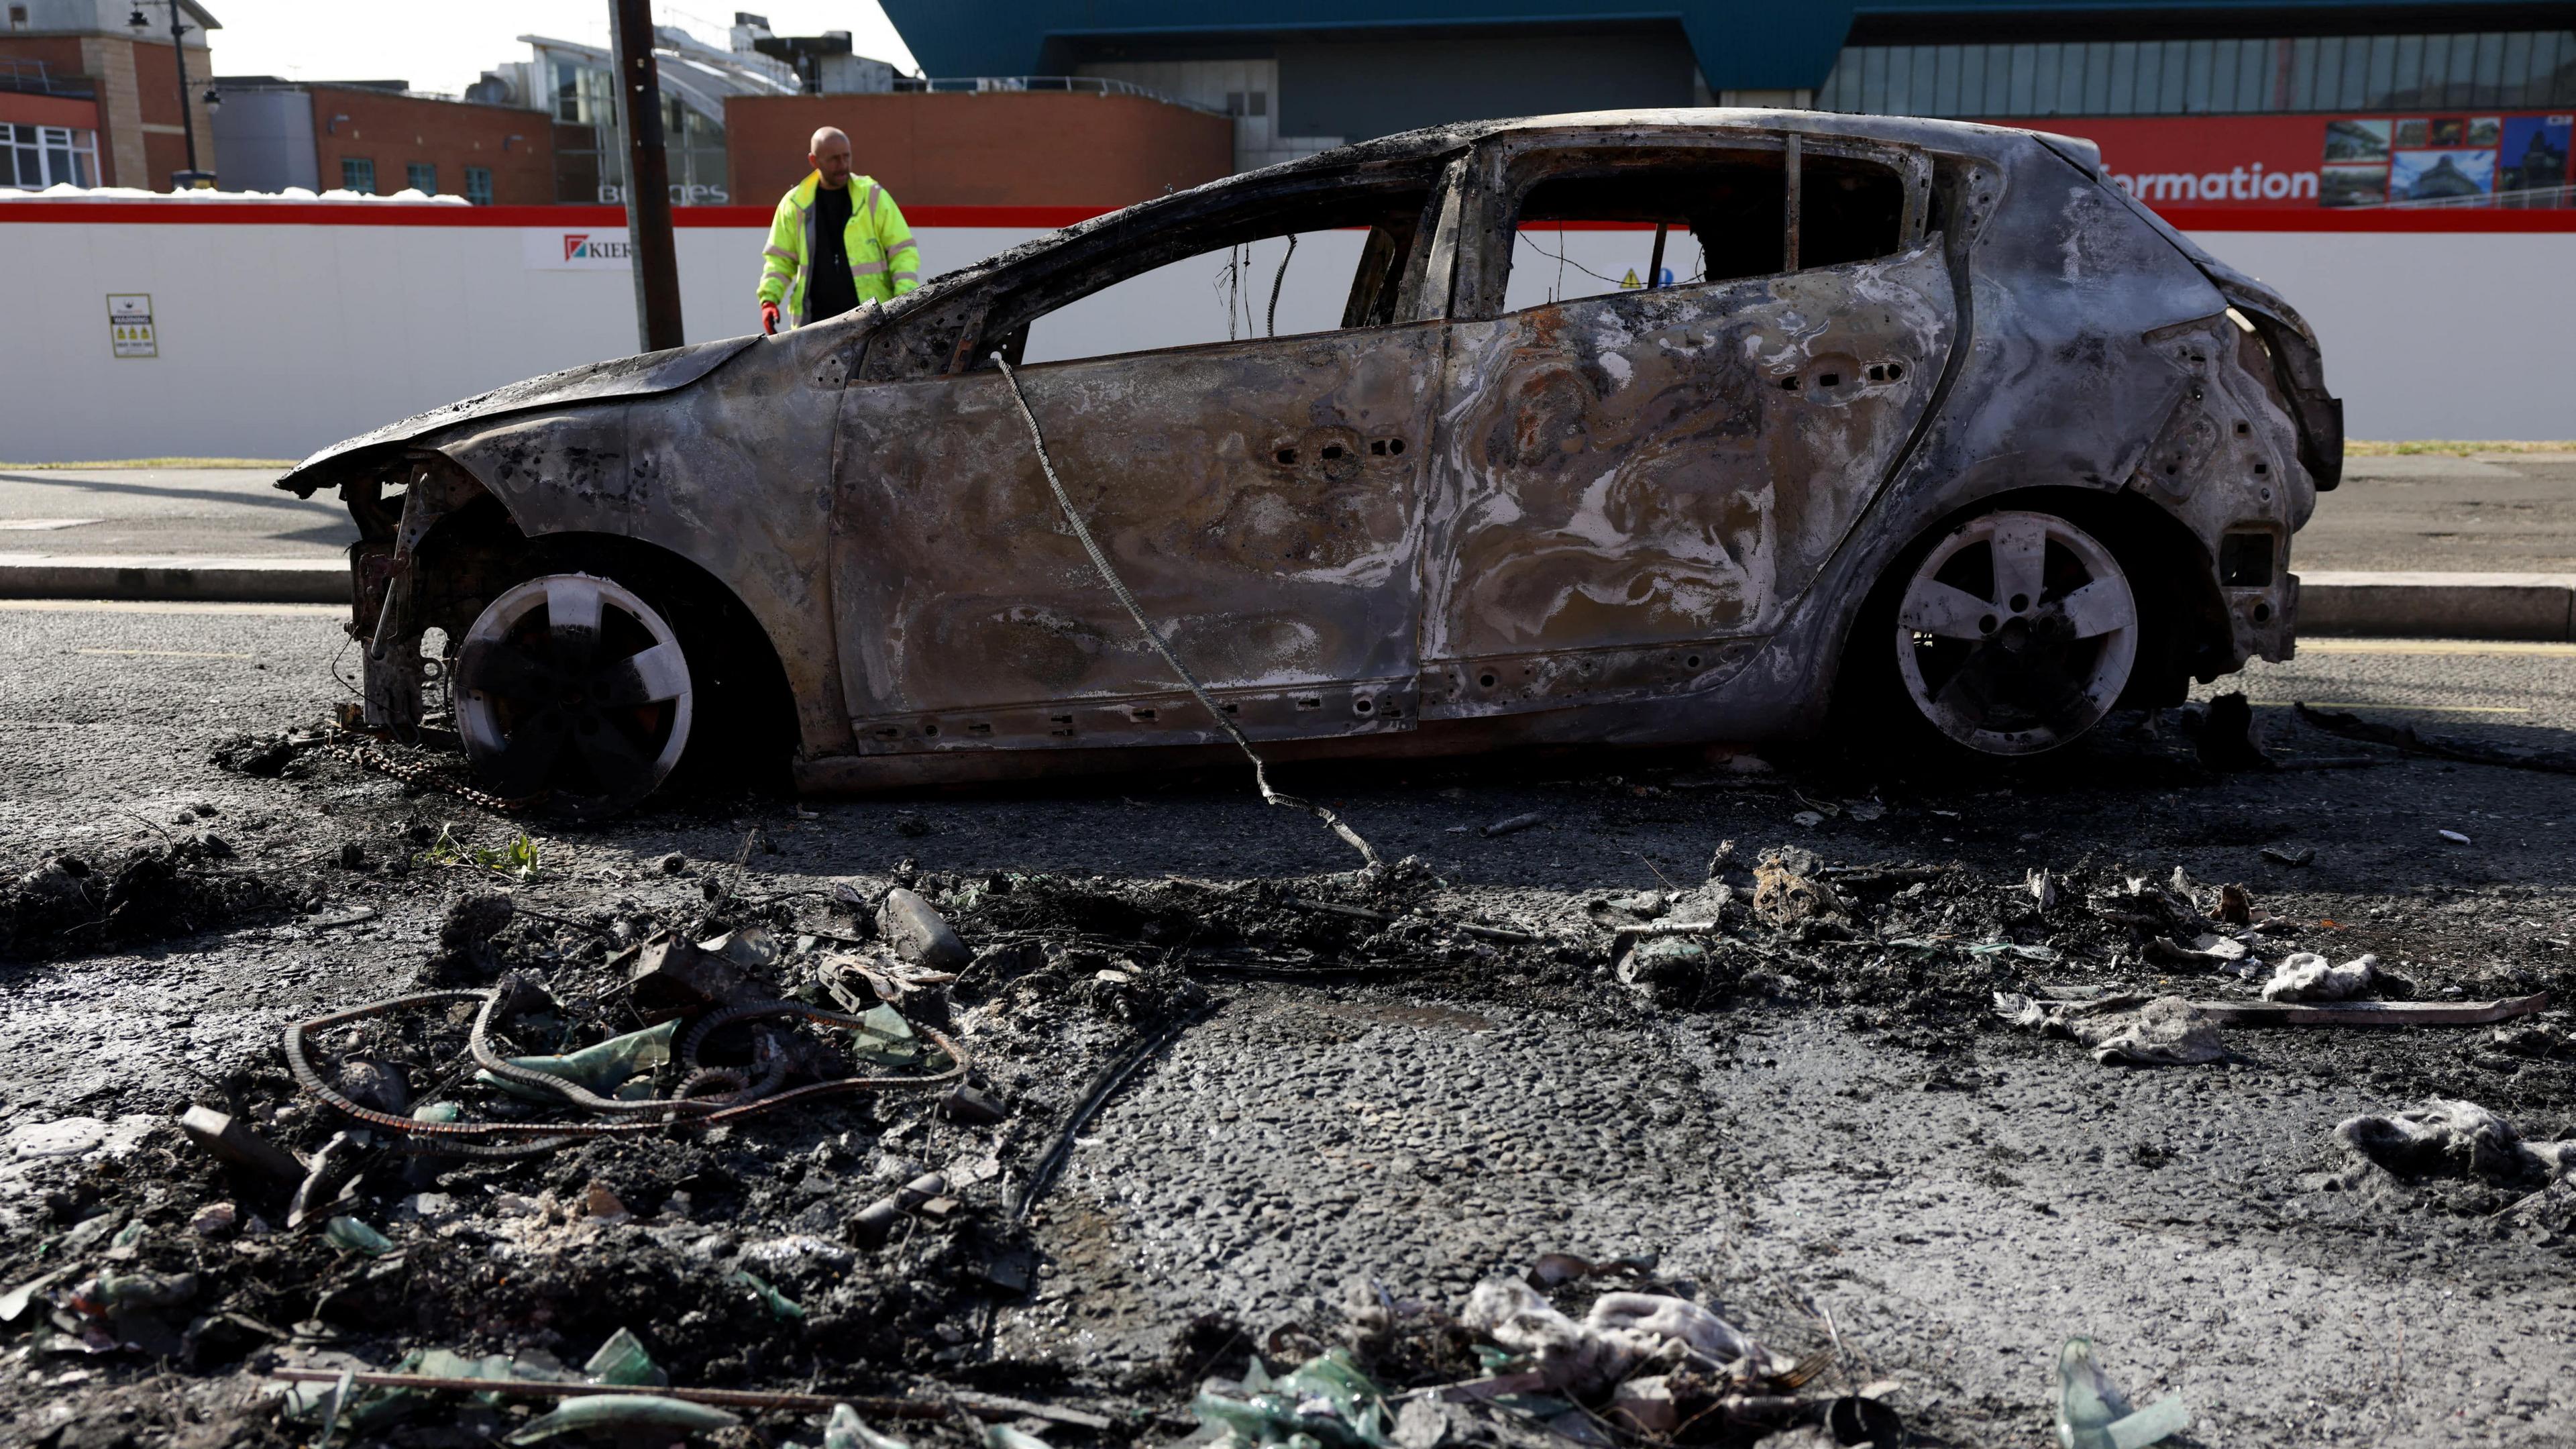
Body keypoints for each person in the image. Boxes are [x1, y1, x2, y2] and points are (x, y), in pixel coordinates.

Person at [756, 126, 918, 335]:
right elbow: (779, 260)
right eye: (833, 159)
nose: (843, 165)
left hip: (871, 322)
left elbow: (902, 250)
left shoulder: (873, 196)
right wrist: (769, 299)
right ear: (814, 161)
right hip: (814, 326)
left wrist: (903, 300)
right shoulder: (794, 205)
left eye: (846, 156)